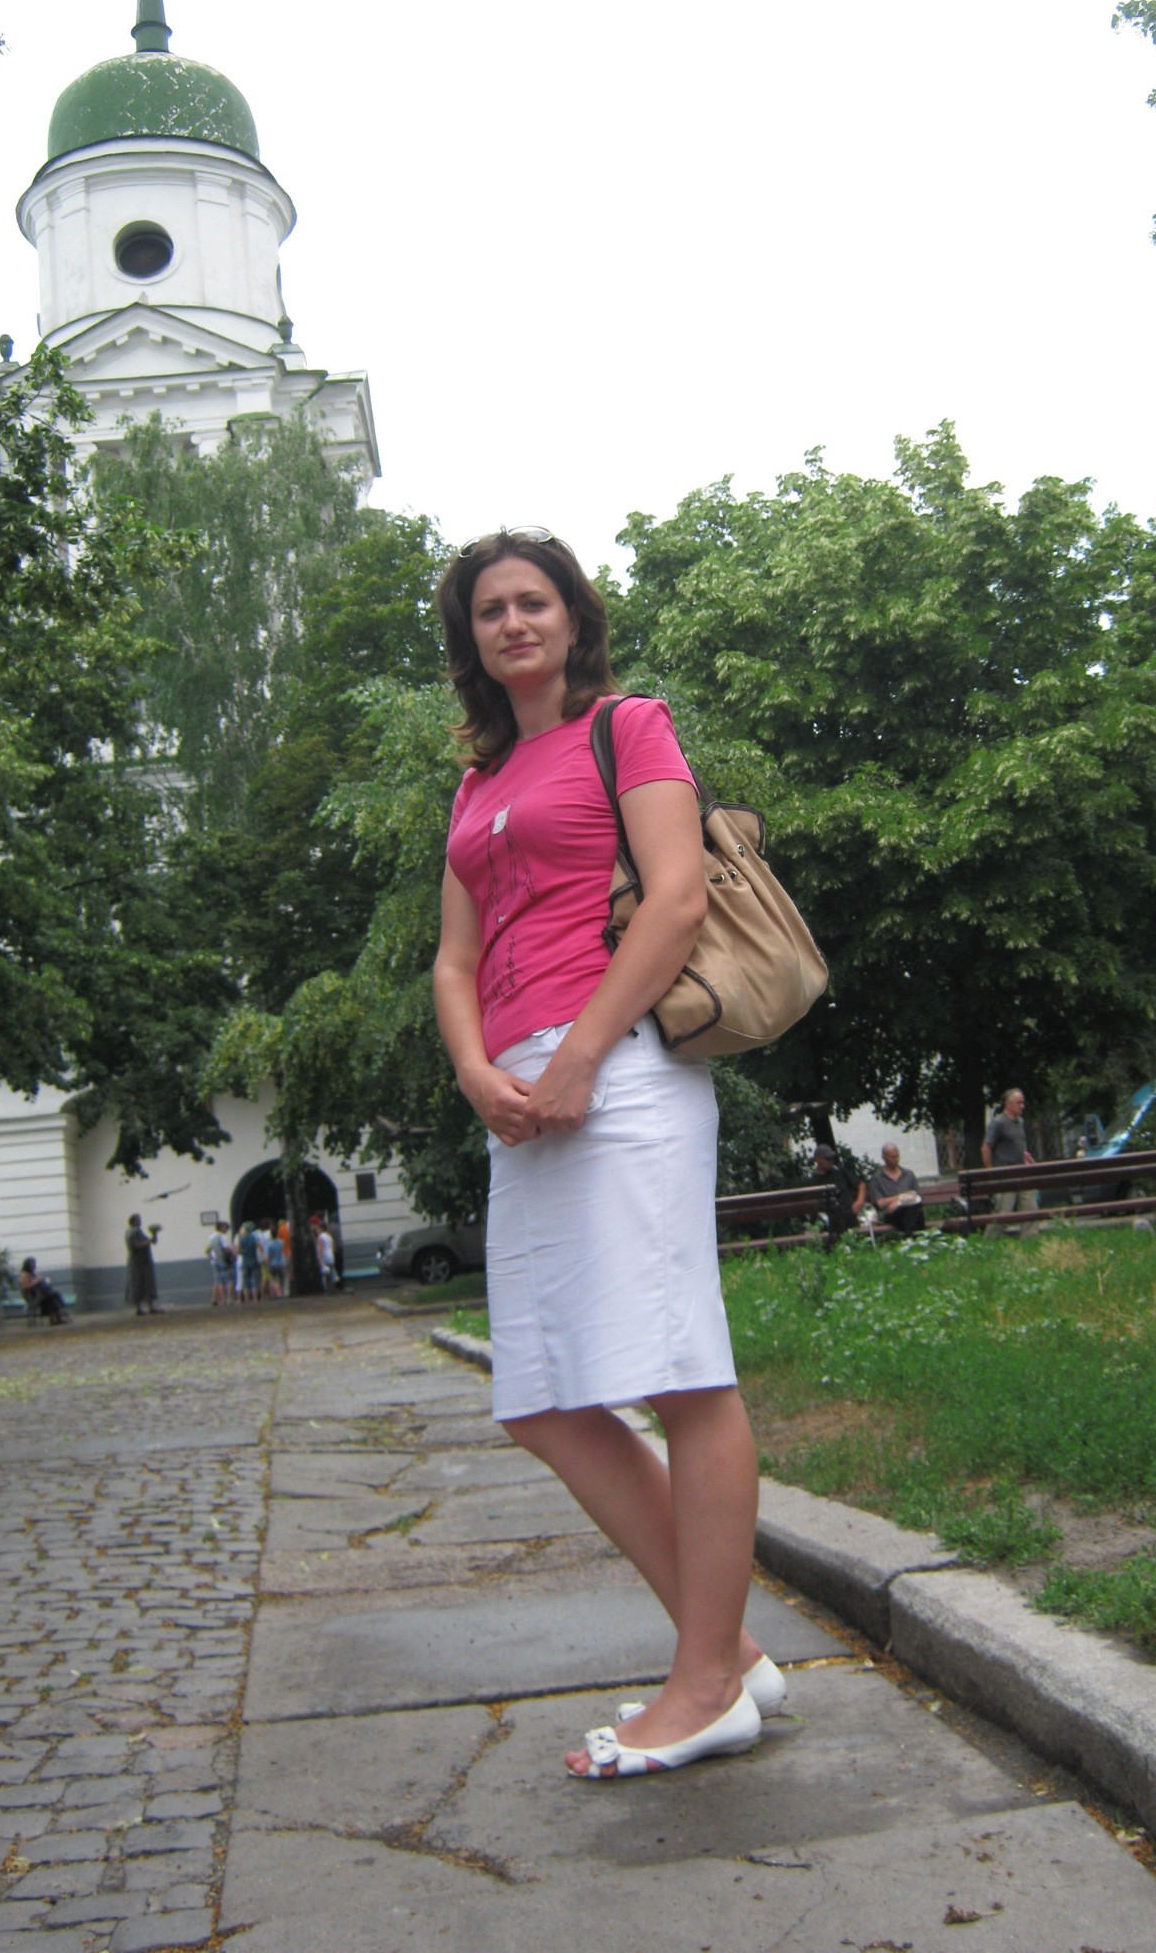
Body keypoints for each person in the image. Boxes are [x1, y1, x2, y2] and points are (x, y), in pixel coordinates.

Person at [432, 527, 780, 1783]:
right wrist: (477, 1070)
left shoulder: (627, 726)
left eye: (533, 601)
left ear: (573, 618)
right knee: (541, 1395)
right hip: (519, 1086)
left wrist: (581, 1054)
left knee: (682, 1367)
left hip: (622, 1068)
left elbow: (676, 896)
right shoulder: (475, 783)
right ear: (471, 639)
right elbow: (454, 958)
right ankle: (729, 1648)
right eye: (490, 610)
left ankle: (706, 1686)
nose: (513, 622)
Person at [982, 1089, 1038, 1221]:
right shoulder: (998, 1123)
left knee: (1030, 1209)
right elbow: (986, 1147)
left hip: (1022, 1172)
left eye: (1023, 1103)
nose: (1022, 1106)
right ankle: (992, 1235)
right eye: (1019, 1103)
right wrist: (990, 1171)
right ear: (1008, 1104)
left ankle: (1030, 1234)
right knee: (1003, 1212)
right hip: (1004, 1174)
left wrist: (1025, 1155)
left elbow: (1015, 1143)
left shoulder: (1021, 1122)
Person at [865, 1142, 925, 1236]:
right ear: (884, 1158)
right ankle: (916, 1239)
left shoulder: (908, 1174)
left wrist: (899, 1202)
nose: (896, 1159)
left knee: (913, 1210)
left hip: (910, 1209)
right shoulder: (877, 1178)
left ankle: (909, 1238)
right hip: (891, 1214)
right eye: (892, 1157)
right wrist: (902, 1197)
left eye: (897, 1156)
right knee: (915, 1213)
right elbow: (880, 1203)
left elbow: (917, 1197)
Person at [813, 1143, 866, 1238]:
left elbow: (860, 1184)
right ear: (818, 1160)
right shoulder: (813, 1180)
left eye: (832, 1158)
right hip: (829, 1218)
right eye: (827, 1159)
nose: (831, 1161)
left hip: (849, 1213)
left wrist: (860, 1201)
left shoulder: (840, 1171)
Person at [124, 1214, 162, 1314]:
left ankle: (147, 1306)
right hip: (139, 1263)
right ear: (134, 1221)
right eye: (138, 1220)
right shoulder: (133, 1232)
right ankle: (143, 1307)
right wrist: (149, 1241)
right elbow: (137, 1245)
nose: (140, 1221)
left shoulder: (135, 1231)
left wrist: (154, 1234)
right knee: (141, 1284)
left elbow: (152, 1242)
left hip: (142, 1262)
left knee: (144, 1284)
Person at [19, 1257, 68, 1325]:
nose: (34, 1267)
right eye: (33, 1265)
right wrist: (37, 1280)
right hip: (32, 1297)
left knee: (52, 1297)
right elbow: (26, 1287)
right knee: (51, 1297)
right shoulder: (25, 1275)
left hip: (40, 1295)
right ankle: (55, 1317)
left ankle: (56, 1318)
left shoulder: (33, 1274)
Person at [206, 1222, 235, 1306]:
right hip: (224, 1260)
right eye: (226, 1228)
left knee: (220, 1281)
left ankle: (222, 1299)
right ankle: (230, 1299)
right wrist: (233, 1256)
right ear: (221, 1228)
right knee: (229, 1280)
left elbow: (208, 1250)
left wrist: (211, 1257)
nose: (227, 1230)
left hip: (214, 1261)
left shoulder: (211, 1237)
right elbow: (227, 1249)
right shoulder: (222, 1237)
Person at [236, 1220, 261, 1303]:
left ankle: (247, 1299)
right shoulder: (254, 1238)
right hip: (254, 1260)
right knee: (255, 1281)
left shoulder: (242, 1239)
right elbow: (260, 1247)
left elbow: (238, 1251)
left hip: (245, 1261)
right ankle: (255, 1298)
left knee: (246, 1282)